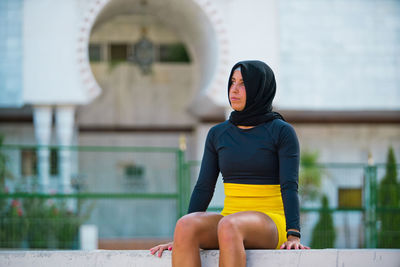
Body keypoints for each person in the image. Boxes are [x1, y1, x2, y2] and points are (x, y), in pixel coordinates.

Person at [150, 60, 310, 267]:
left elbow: (290, 186)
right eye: (232, 82)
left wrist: (293, 235)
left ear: (259, 88)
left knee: (230, 225)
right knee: (185, 225)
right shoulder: (218, 134)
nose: (234, 90)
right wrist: (181, 239)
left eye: (243, 84)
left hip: (270, 221)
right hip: (230, 220)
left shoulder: (281, 131)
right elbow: (204, 187)